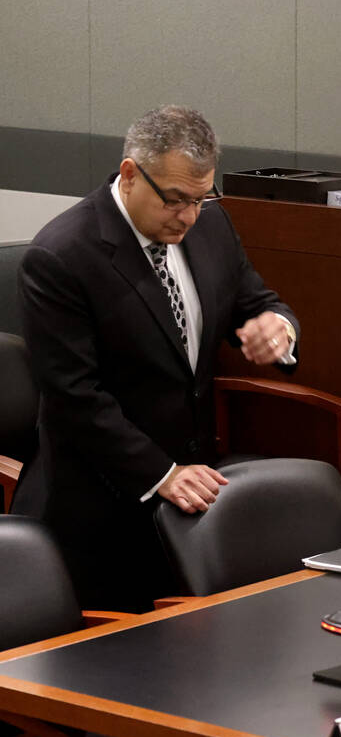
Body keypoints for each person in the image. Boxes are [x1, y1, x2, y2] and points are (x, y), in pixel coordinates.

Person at [14, 105, 300, 612]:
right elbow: (74, 396)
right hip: (99, 507)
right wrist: (161, 473)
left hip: (190, 496)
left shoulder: (209, 226)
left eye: (201, 198)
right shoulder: (61, 256)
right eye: (174, 200)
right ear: (129, 174)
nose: (188, 215)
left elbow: (254, 301)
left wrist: (277, 328)